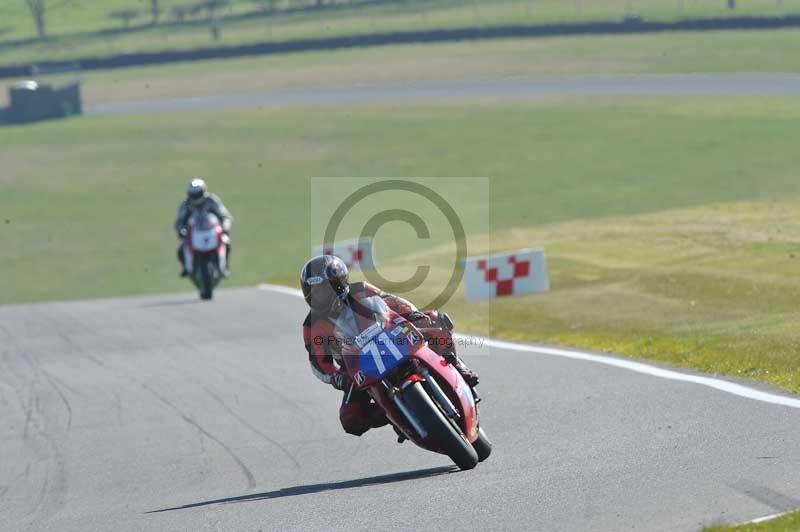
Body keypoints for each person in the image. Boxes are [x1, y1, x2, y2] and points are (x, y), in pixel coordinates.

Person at [300, 254, 479, 439]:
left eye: (323, 289)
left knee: (436, 320)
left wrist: (413, 314)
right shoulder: (311, 325)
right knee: (350, 419)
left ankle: (458, 367)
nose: (319, 296)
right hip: (358, 367)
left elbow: (391, 301)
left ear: (339, 282)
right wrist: (336, 377)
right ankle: (395, 415)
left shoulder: (360, 290)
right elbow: (318, 363)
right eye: (314, 291)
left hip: (391, 337)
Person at [174, 179, 233, 277]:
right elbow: (179, 221)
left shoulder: (212, 201)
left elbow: (225, 216)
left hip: (211, 231)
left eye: (197, 193)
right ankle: (186, 268)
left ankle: (224, 266)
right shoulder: (186, 204)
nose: (195, 197)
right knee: (181, 249)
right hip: (193, 233)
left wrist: (225, 227)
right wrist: (181, 230)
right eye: (193, 194)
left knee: (226, 243)